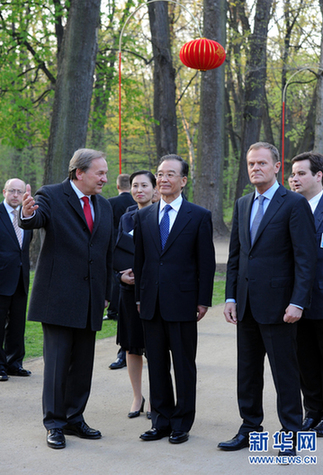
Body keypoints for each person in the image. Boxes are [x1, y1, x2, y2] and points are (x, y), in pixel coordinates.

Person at [218, 142, 316, 457]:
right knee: (247, 373)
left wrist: (298, 301)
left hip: (280, 307)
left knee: (285, 374)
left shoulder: (293, 204)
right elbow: (236, 257)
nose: (255, 168)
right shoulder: (243, 203)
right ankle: (249, 428)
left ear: (276, 167)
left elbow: (305, 259)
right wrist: (230, 296)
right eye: (251, 164)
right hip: (245, 305)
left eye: (262, 163)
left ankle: (292, 434)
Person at [19, 148, 113, 450]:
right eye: (100, 173)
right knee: (58, 365)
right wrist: (28, 213)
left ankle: (74, 418)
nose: (105, 178)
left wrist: (107, 293)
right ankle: (55, 424)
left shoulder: (106, 207)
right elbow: (35, 219)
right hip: (57, 298)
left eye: (106, 172)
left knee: (83, 365)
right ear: (79, 173)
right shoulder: (51, 195)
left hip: (91, 299)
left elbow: (106, 253)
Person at [134, 154, 215, 444]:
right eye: (160, 173)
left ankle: (182, 422)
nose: (163, 179)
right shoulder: (142, 216)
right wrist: (139, 298)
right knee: (155, 364)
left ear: (183, 181)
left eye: (170, 174)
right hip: (151, 303)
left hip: (183, 302)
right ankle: (161, 420)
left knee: (183, 364)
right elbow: (141, 262)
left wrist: (203, 300)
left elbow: (206, 263)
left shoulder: (199, 216)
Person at [291, 151, 323, 437]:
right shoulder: (289, 209)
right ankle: (312, 411)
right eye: (292, 174)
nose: (294, 179)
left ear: (318, 175)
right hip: (295, 302)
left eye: (301, 173)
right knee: (303, 361)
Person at [116, 170, 156, 419]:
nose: (139, 190)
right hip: (129, 290)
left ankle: (155, 398)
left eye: (144, 185)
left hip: (154, 290)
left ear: (154, 188)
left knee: (155, 346)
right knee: (132, 347)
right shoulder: (126, 217)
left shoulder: (162, 215)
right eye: (134, 186)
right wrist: (120, 275)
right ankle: (136, 397)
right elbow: (118, 250)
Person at [0, 178, 32, 381]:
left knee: (18, 324)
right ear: (4, 191)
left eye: (19, 192)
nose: (15, 195)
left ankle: (14, 363)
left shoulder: (26, 216)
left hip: (21, 278)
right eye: (12, 191)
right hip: (1, 278)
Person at [108, 174, 136, 369]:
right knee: (126, 324)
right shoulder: (128, 214)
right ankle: (123, 353)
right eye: (136, 185)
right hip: (126, 275)